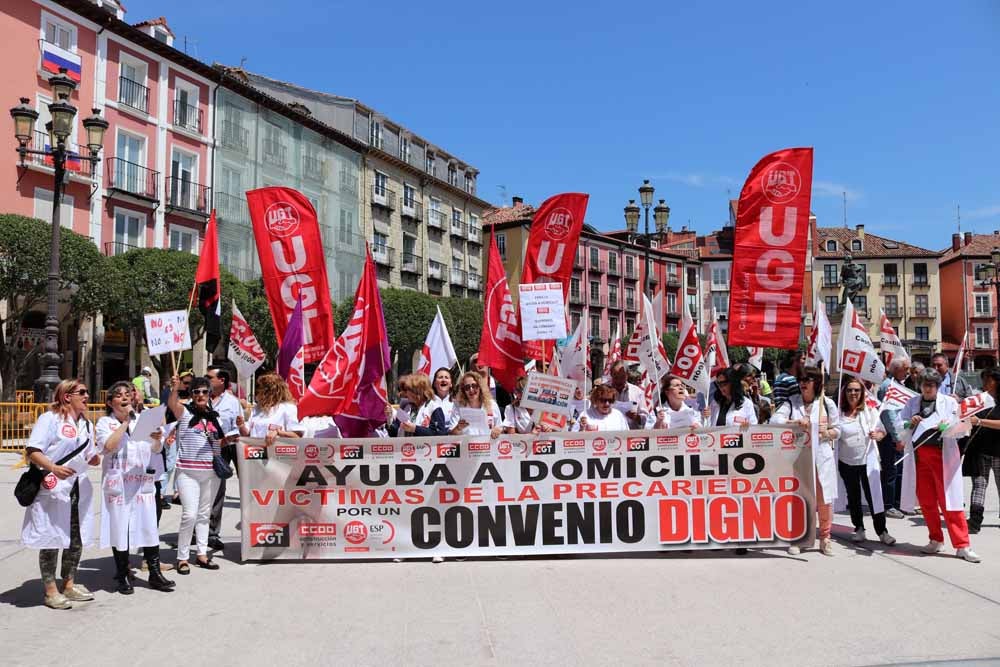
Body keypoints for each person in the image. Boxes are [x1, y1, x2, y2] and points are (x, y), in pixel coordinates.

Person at [21, 379, 100, 609]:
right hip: (52, 486)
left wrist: (93, 458)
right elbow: (33, 451)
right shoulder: (50, 419)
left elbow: (89, 454)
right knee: (51, 537)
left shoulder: (86, 424)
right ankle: (50, 590)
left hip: (77, 487)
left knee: (75, 538)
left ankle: (69, 583)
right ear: (67, 396)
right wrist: (53, 468)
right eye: (82, 392)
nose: (87, 396)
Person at [95, 381, 174, 594]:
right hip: (119, 484)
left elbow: (156, 450)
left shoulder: (144, 419)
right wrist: (125, 423)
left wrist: (157, 439)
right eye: (118, 395)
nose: (125, 398)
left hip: (142, 483)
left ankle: (155, 573)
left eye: (127, 394)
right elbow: (108, 447)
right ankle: (123, 574)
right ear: (111, 402)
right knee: (119, 526)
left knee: (149, 525)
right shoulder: (104, 423)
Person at [900, 368, 980, 562]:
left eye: (931, 385)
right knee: (926, 502)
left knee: (950, 503)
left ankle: (962, 545)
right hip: (920, 459)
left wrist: (949, 426)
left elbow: (963, 427)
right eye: (925, 384)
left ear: (937, 386)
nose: (928, 388)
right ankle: (935, 539)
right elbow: (899, 426)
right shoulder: (912, 403)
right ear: (920, 385)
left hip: (942, 457)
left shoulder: (950, 402)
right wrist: (909, 423)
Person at [772, 367, 839, 556]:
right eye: (800, 379)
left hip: (822, 456)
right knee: (800, 498)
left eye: (807, 380)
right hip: (798, 457)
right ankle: (800, 537)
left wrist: (827, 433)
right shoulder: (792, 403)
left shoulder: (827, 403)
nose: (802, 383)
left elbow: (838, 429)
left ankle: (825, 537)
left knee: (824, 498)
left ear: (816, 383)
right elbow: (775, 419)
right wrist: (795, 422)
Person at [167, 374, 223, 574]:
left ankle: (201, 553)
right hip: (187, 472)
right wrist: (174, 389)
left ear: (209, 394)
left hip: (210, 473)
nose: (201, 395)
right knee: (189, 515)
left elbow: (217, 444)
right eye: (196, 391)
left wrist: (225, 445)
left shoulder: (214, 416)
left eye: (205, 392)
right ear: (191, 394)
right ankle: (182, 557)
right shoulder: (185, 412)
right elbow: (173, 405)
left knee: (204, 515)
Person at [833, 379, 896, 546]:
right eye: (849, 390)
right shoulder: (838, 414)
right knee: (853, 497)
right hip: (847, 462)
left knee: (874, 496)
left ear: (862, 394)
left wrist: (879, 435)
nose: (853, 394)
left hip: (868, 462)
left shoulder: (870, 412)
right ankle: (859, 528)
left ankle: (882, 531)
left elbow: (882, 430)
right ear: (844, 393)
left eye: (857, 391)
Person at [206, 365, 242, 553]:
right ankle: (210, 533)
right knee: (215, 489)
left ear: (221, 381)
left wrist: (228, 438)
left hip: (231, 445)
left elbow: (239, 425)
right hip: (211, 447)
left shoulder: (232, 402)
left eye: (209, 377)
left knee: (246, 483)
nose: (206, 380)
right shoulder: (202, 399)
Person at [966, 367, 1000, 534]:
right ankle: (974, 521)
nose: (984, 382)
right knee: (979, 485)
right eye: (984, 379)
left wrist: (979, 422)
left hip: (998, 450)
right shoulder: (979, 399)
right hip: (980, 450)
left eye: (988, 379)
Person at [877, 357, 911, 518]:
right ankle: (888, 505)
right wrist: (897, 438)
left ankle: (897, 503)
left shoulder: (897, 385)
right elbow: (888, 414)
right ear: (897, 369)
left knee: (899, 471)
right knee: (891, 470)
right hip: (890, 436)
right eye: (906, 369)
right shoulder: (887, 387)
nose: (908, 372)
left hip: (899, 434)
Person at [238, 373, 303, 439]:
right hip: (254, 448)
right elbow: (247, 434)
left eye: (260, 389)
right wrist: (241, 425)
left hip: (275, 448)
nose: (257, 392)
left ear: (270, 392)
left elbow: (296, 436)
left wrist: (278, 433)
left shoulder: (288, 408)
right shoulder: (257, 408)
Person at [447, 371, 503, 437]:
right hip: (466, 446)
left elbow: (500, 427)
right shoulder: (458, 406)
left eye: (474, 386)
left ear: (480, 387)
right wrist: (458, 428)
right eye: (467, 387)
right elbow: (451, 434)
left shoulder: (492, 404)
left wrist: (497, 430)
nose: (471, 389)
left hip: (488, 445)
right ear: (463, 390)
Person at [608, 360, 647, 429]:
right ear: (611, 374)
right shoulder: (603, 390)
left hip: (631, 435)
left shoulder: (637, 392)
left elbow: (646, 418)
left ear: (627, 375)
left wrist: (637, 417)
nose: (619, 381)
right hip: (609, 433)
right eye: (616, 377)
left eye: (622, 377)